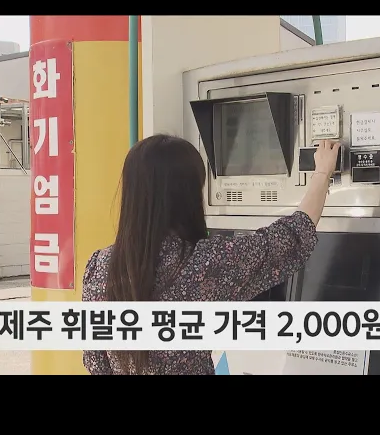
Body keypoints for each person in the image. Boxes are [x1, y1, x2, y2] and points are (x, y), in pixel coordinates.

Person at [82, 134, 340, 375]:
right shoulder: (203, 264)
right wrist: (322, 172)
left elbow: (95, 362)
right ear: (187, 195)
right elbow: (290, 237)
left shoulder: (99, 267)